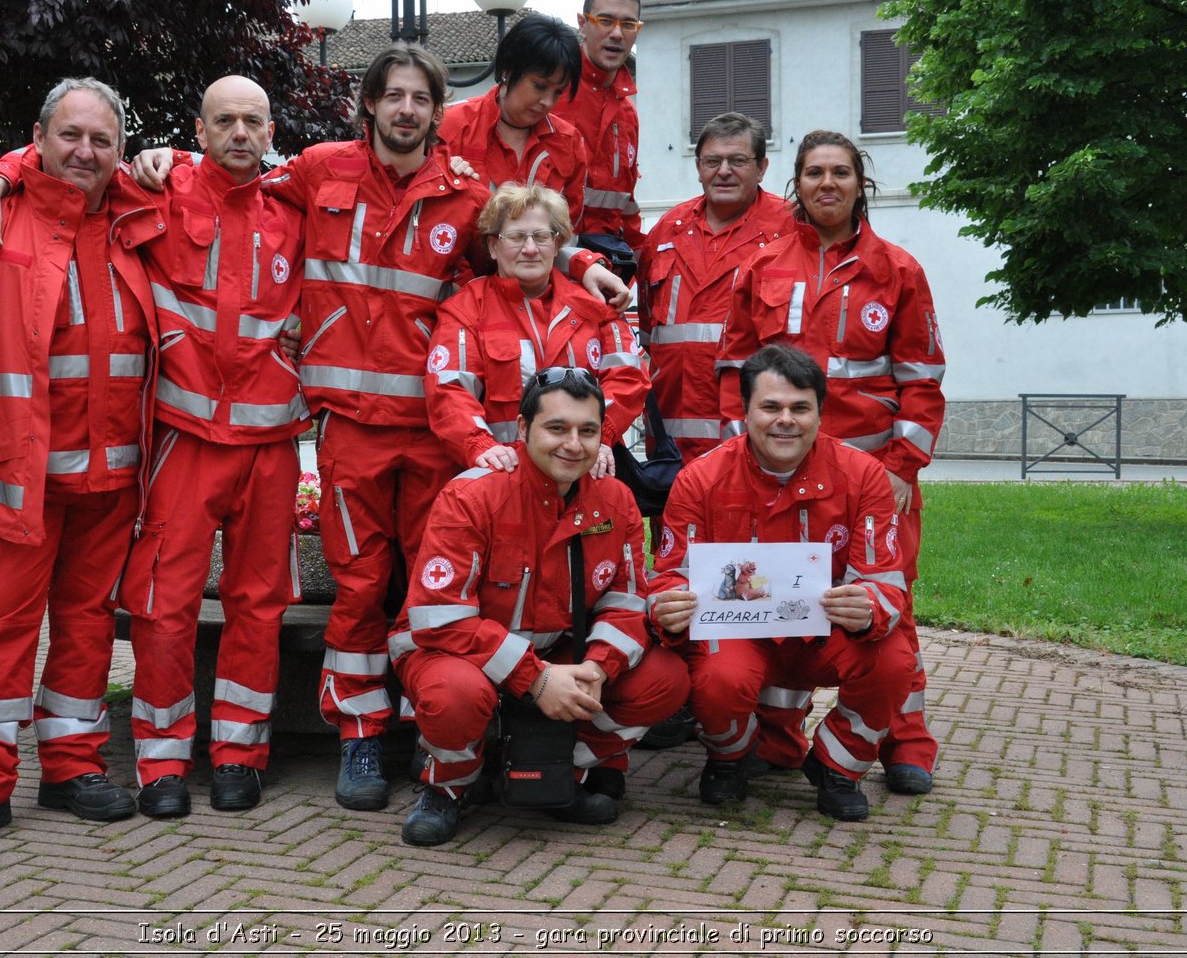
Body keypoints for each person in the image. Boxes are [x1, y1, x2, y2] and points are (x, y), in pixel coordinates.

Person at [137, 44, 627, 811]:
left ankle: (439, 735)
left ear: (438, 112)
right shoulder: (315, 170)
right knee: (361, 587)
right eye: (392, 95)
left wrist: (584, 259)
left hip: (435, 433)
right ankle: (361, 738)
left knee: (430, 587)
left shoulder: (465, 190)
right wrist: (162, 155)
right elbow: (229, 184)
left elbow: (523, 233)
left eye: (420, 99)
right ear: (370, 104)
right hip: (350, 429)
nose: (405, 109)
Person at [0, 77, 308, 819]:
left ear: (271, 128)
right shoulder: (152, 192)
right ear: (197, 128)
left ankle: (223, 754)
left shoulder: (289, 203)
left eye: (252, 120)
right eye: (223, 120)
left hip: (194, 456)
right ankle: (149, 762)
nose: (239, 132)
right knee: (151, 608)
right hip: (150, 444)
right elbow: (63, 163)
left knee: (212, 610)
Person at [0, 78, 162, 850]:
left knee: (85, 630)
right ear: (38, 139)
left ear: (121, 150)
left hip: (112, 483)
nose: (85, 151)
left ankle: (72, 764)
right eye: (70, 135)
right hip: (15, 480)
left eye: (103, 139)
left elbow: (224, 165)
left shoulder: (140, 216)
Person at [717, 131, 946, 795]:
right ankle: (780, 739)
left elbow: (923, 378)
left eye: (840, 172)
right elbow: (734, 368)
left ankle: (906, 740)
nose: (827, 183)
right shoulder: (761, 265)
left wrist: (903, 466)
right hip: (783, 478)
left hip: (875, 478)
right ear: (796, 182)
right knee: (781, 600)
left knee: (887, 605)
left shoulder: (898, 269)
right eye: (813, 172)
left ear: (859, 184)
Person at [390, 368, 690, 845]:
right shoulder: (472, 495)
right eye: (557, 428)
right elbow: (439, 618)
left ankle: (560, 774)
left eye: (587, 431)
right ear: (523, 429)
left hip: (558, 648)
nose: (573, 444)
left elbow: (627, 601)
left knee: (664, 679)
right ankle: (451, 785)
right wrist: (538, 678)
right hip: (453, 650)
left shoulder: (616, 501)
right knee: (455, 695)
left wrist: (598, 667)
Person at [651, 345, 916, 821]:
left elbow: (885, 576)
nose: (785, 420)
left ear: (820, 411)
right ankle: (730, 756)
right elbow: (670, 570)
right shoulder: (699, 480)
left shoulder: (863, 476)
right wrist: (664, 603)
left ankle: (838, 765)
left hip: (826, 634)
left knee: (895, 659)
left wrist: (870, 605)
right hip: (741, 635)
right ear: (745, 411)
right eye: (770, 407)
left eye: (800, 407)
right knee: (717, 680)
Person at [425, 183, 648, 478]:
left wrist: (599, 437)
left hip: (582, 473)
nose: (530, 249)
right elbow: (448, 390)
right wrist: (480, 447)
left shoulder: (594, 304)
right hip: (503, 476)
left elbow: (628, 375)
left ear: (556, 245)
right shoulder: (466, 309)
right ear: (493, 246)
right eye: (516, 237)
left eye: (541, 237)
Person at [641, 112, 794, 462]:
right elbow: (650, 331)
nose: (723, 170)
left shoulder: (791, 228)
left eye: (738, 160)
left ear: (762, 167)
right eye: (713, 161)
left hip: (755, 436)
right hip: (670, 443)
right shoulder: (667, 231)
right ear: (698, 167)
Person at [437, 14, 589, 234]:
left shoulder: (568, 142)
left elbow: (568, 231)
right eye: (539, 86)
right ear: (507, 70)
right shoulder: (451, 126)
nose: (547, 101)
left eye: (558, 92)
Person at [551, 0, 647, 270]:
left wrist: (642, 257)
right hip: (547, 265)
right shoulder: (552, 91)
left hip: (604, 266)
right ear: (583, 23)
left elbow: (626, 202)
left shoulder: (628, 113)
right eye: (605, 21)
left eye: (628, 24)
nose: (617, 34)